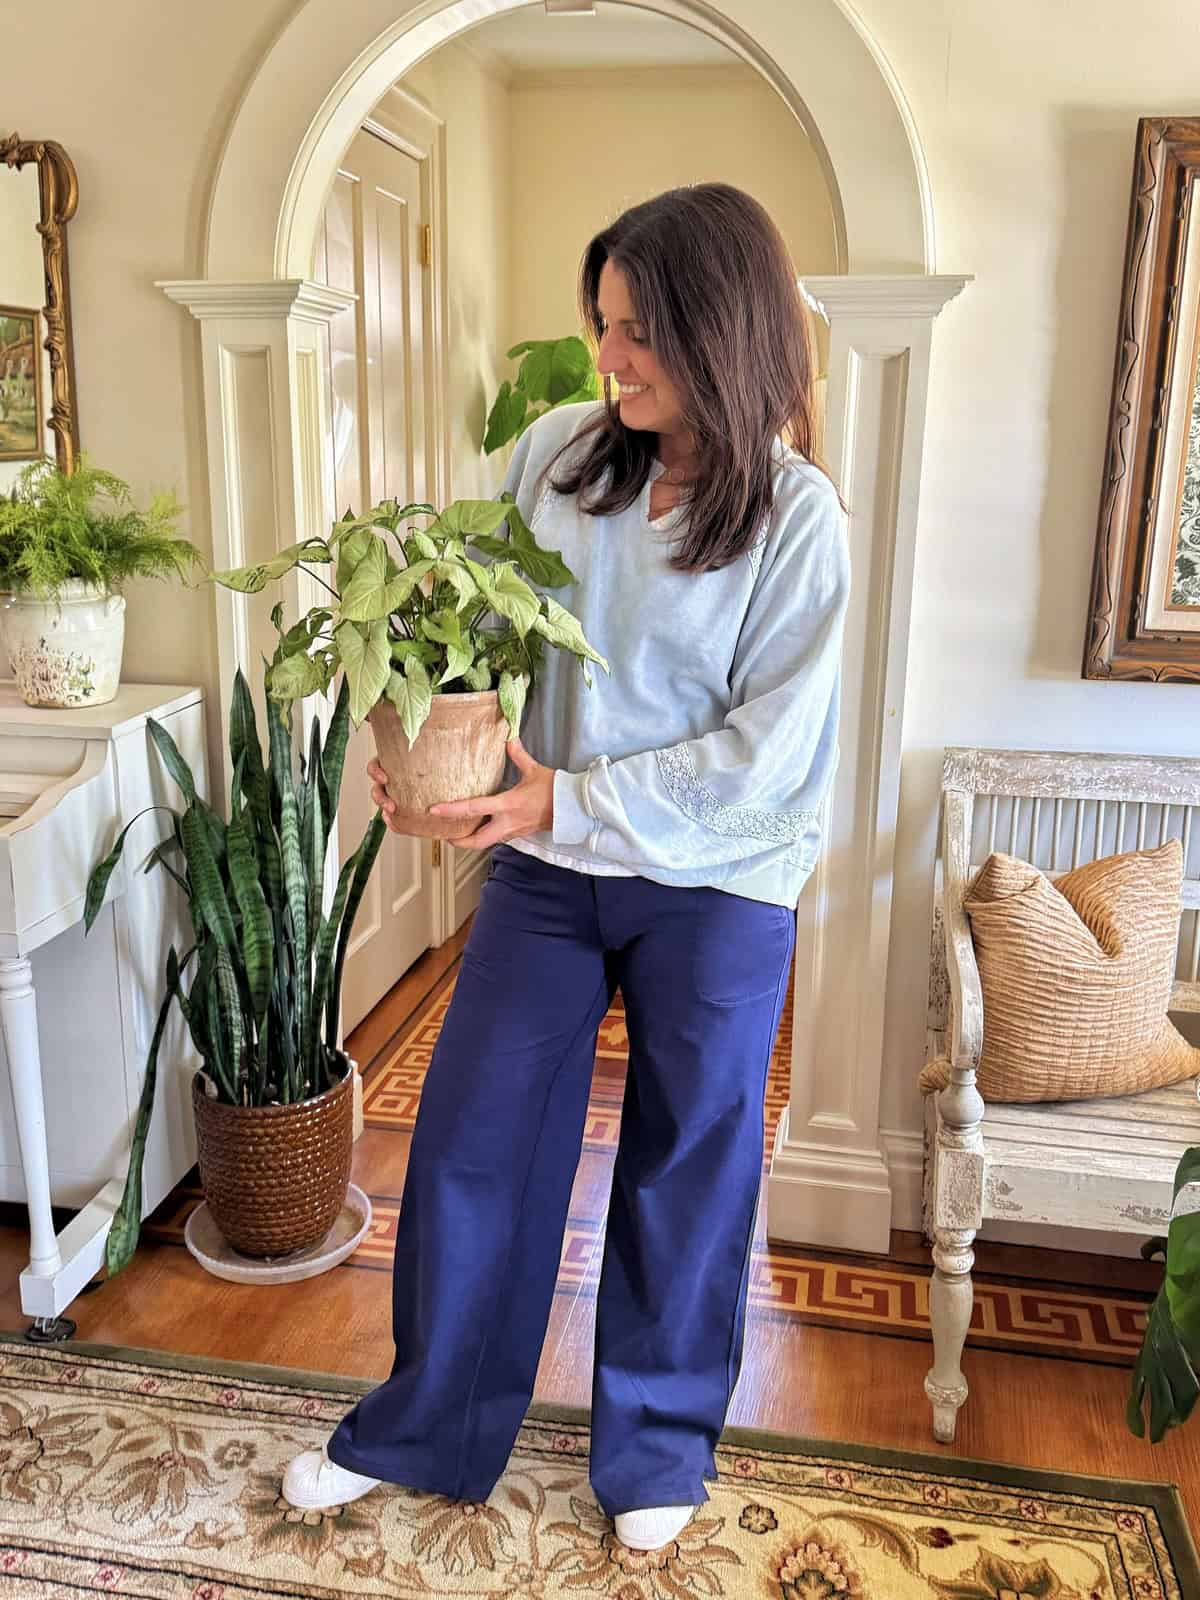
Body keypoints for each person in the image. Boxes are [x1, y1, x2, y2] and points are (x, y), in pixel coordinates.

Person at [282, 182, 851, 1553]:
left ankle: (655, 1451)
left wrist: (563, 797)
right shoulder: (553, 454)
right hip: (545, 857)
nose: (611, 359)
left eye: (642, 331)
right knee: (474, 1134)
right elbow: (475, 631)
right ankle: (426, 1424)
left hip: (719, 877)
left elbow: (762, 758)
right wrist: (428, 745)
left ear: (725, 331)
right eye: (602, 324)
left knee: (686, 1159)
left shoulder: (798, 518)